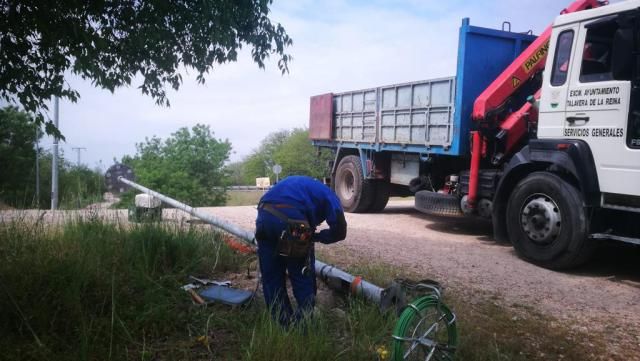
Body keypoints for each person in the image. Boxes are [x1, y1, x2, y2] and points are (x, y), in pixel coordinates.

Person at [255, 175, 347, 326]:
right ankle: (303, 325)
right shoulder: (330, 195)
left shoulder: (297, 184)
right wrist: (316, 237)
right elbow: (340, 231)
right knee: (302, 272)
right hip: (292, 220)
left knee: (271, 275)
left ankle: (281, 323)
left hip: (264, 216)